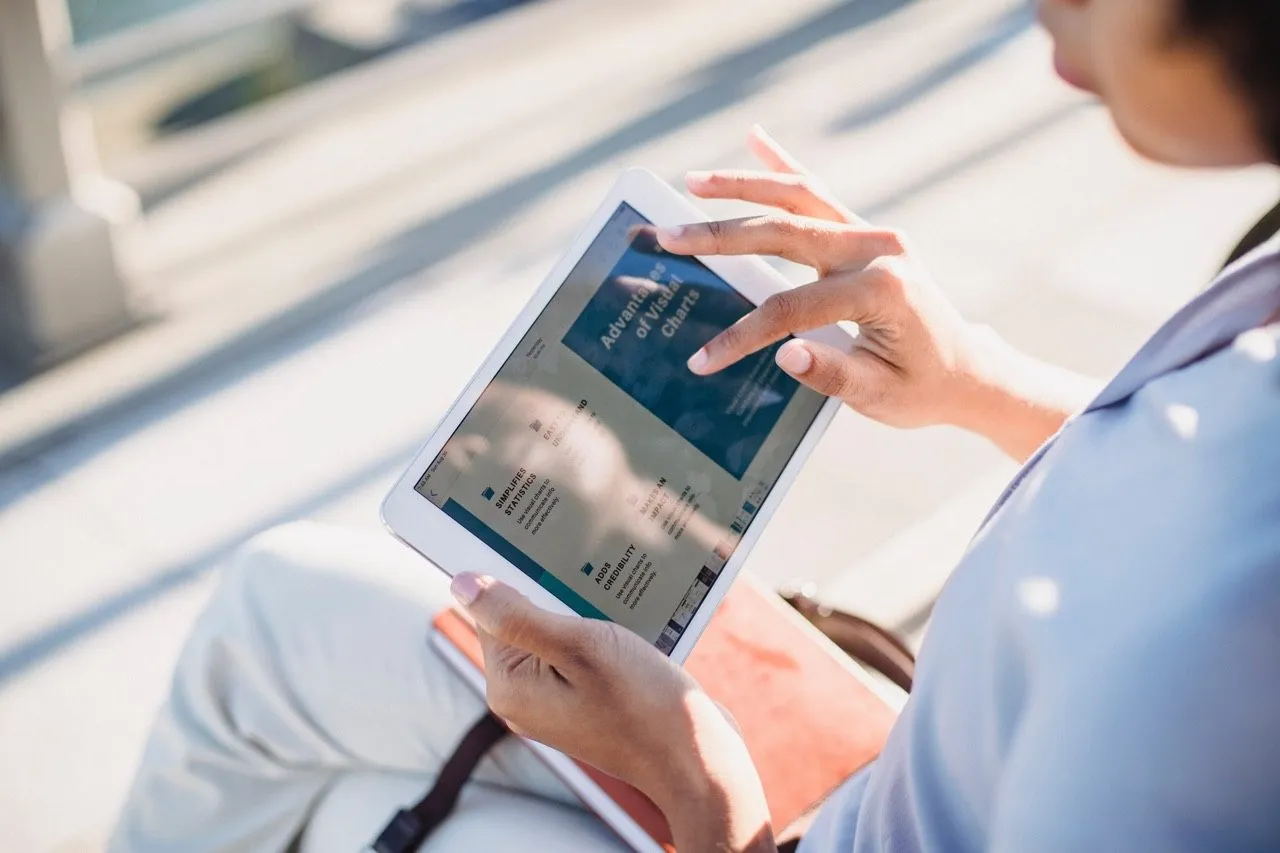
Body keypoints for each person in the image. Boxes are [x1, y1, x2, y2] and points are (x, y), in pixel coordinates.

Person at [110, 0, 1280, 851]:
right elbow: (1186, 461)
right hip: (891, 771)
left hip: (789, 815)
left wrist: (696, 785)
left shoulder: (1204, 648)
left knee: (284, 696)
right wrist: (980, 383)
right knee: (315, 758)